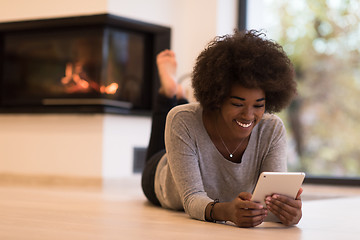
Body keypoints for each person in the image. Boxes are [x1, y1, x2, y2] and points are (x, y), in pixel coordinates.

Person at [141, 29, 301, 228]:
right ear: (217, 98)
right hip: (162, 179)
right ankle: (169, 93)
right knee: (172, 124)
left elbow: (272, 199)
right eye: (237, 104)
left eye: (258, 105)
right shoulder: (182, 120)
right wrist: (226, 212)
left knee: (183, 116)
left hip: (189, 140)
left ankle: (178, 92)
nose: (249, 115)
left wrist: (288, 212)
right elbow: (191, 198)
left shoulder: (272, 129)